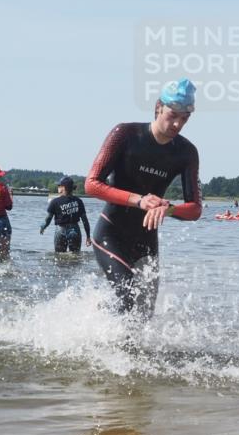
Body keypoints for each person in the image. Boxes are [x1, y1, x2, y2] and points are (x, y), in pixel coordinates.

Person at [85, 78, 202, 315]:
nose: (177, 124)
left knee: (144, 312)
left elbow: (195, 209)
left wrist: (168, 208)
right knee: (127, 294)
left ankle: (104, 325)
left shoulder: (186, 152)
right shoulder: (125, 134)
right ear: (159, 106)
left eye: (184, 118)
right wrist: (139, 200)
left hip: (146, 240)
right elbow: (92, 185)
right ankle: (105, 343)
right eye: (173, 115)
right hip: (111, 233)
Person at [41, 176, 91, 253]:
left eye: (59, 186)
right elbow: (85, 220)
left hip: (60, 231)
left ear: (63, 187)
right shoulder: (78, 201)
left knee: (59, 256)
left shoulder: (55, 202)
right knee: (75, 256)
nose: (58, 187)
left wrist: (43, 227)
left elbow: (48, 218)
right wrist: (88, 237)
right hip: (75, 231)